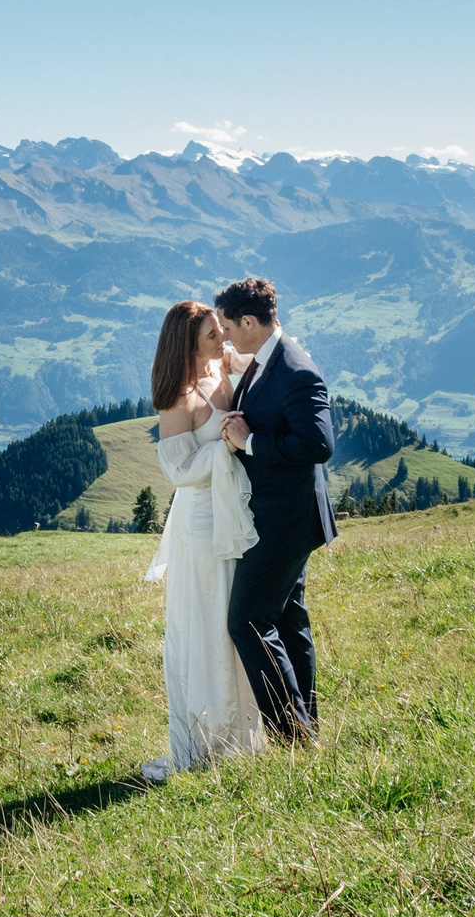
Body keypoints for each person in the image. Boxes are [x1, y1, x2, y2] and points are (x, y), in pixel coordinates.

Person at [139, 301, 265, 781]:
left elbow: (266, 356)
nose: (224, 338)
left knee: (235, 619)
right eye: (213, 334)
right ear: (188, 344)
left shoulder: (222, 367)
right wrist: (226, 448)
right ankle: (209, 740)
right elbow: (176, 470)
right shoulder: (179, 398)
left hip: (233, 515)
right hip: (201, 524)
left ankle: (244, 733)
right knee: (207, 623)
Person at [213, 275, 335, 745]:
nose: (225, 337)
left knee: (246, 620)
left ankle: (293, 735)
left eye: (227, 328)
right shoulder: (267, 359)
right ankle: (307, 729)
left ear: (249, 321)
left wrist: (251, 441)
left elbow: (319, 444)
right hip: (283, 514)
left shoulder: (296, 369)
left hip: (285, 519)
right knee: (288, 619)